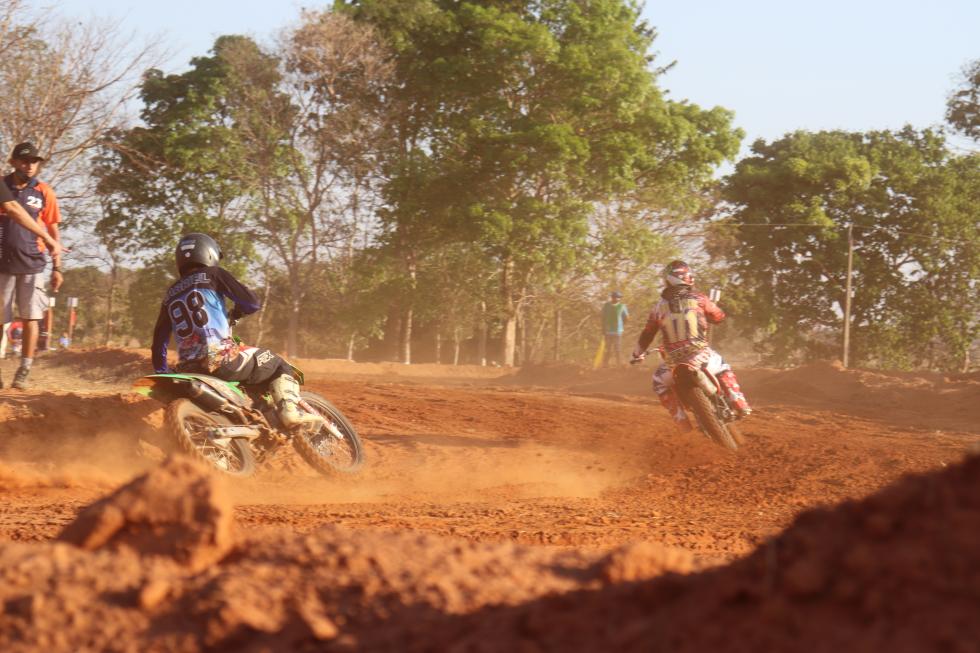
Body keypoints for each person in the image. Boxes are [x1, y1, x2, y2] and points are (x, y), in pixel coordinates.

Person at [151, 233, 324, 431]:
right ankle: (289, 412)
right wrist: (240, 310)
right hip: (220, 358)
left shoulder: (170, 294)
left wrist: (161, 371)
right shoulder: (213, 274)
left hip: (189, 369)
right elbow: (252, 302)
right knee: (277, 363)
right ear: (209, 253)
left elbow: (159, 341)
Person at [631, 260, 751, 431]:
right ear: (685, 277)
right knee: (723, 367)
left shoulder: (657, 308)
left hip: (673, 362)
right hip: (701, 355)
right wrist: (712, 310)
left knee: (659, 382)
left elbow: (647, 334)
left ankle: (681, 420)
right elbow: (719, 317)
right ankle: (738, 401)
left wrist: (637, 354)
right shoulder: (699, 298)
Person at [0, 142, 66, 389]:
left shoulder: (44, 191)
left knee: (31, 318)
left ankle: (24, 369)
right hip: (2, 263)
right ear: (14, 162)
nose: (29, 166)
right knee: (1, 319)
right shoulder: (2, 186)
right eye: (25, 160)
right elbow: (12, 210)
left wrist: (57, 267)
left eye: (34, 162)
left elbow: (53, 231)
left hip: (33, 263)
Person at [601, 291, 629, 366]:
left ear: (620, 298)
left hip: (618, 331)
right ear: (612, 297)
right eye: (614, 297)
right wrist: (603, 329)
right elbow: (603, 318)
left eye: (618, 297)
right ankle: (605, 364)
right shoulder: (606, 306)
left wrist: (622, 325)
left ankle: (619, 364)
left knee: (617, 349)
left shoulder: (622, 306)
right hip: (608, 331)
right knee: (608, 349)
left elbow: (626, 318)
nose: (616, 299)